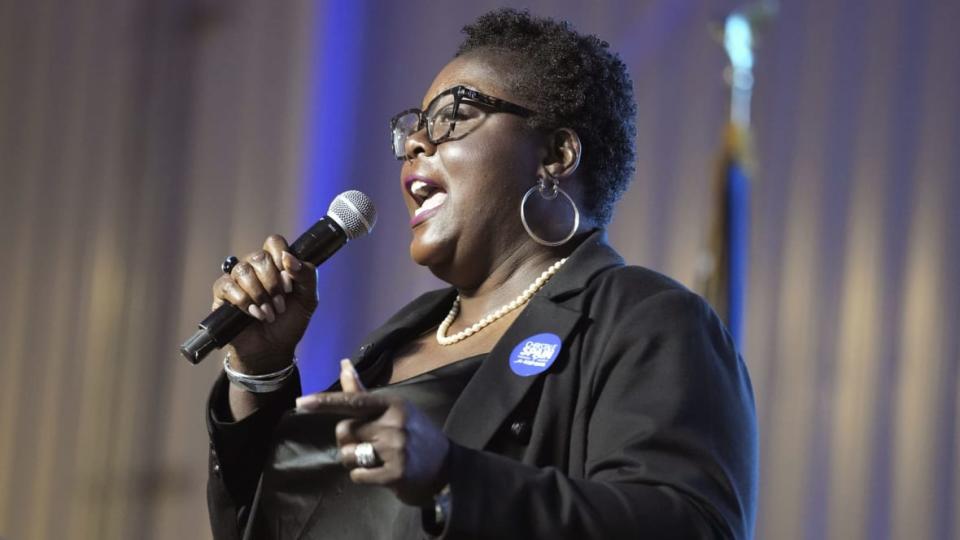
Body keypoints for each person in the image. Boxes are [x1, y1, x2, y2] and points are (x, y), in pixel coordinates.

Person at [204, 8, 757, 540]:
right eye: (414, 128)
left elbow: (690, 524)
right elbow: (273, 523)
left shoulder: (644, 319)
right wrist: (261, 370)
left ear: (556, 154)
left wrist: (452, 476)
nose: (416, 144)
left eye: (453, 115)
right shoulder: (395, 342)